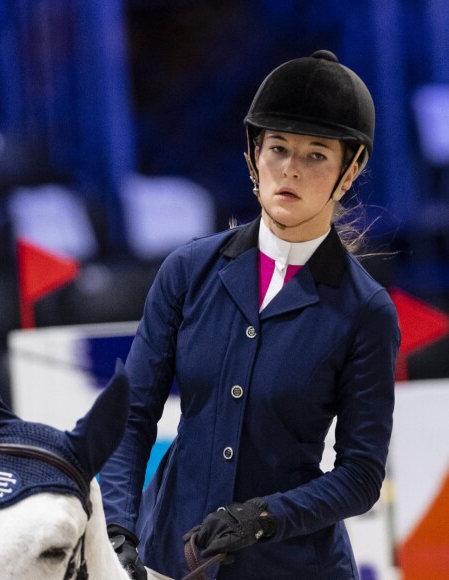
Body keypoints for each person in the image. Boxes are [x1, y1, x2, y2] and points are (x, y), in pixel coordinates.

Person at [100, 50, 400, 580]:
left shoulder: (365, 311)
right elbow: (132, 415)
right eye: (278, 149)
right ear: (252, 155)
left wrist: (265, 517)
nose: (290, 169)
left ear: (349, 171)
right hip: (169, 555)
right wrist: (118, 528)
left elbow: (360, 474)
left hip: (291, 566)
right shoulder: (188, 271)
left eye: (315, 156)